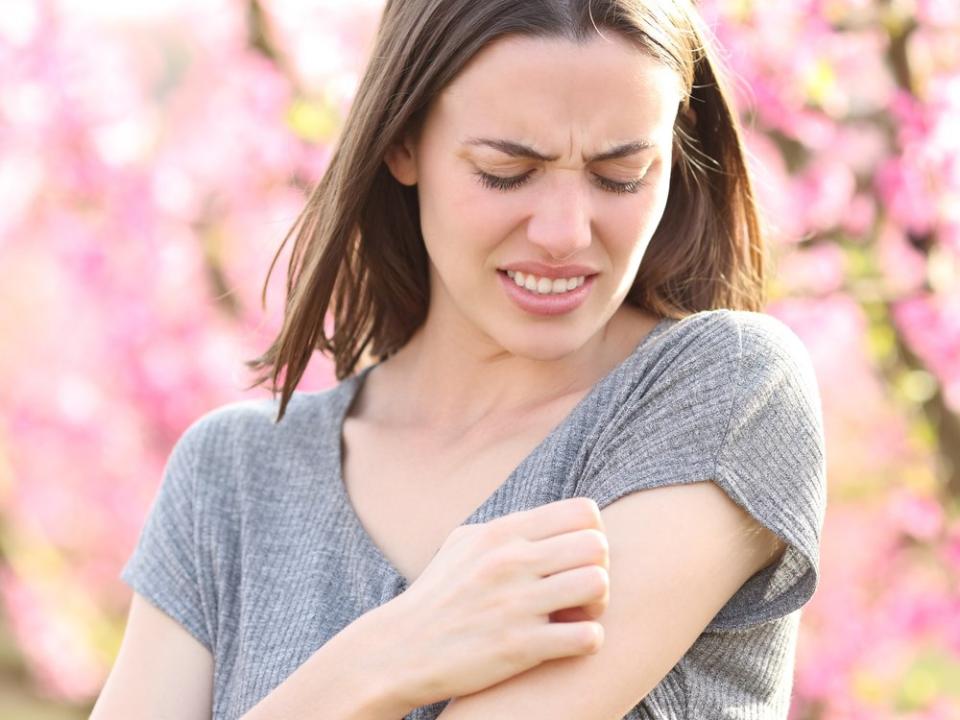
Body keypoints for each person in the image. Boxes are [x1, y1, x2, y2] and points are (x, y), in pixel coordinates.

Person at [92, 0, 827, 718]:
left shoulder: (726, 391)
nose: (566, 232)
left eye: (621, 175)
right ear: (402, 142)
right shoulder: (231, 479)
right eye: (507, 171)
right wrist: (383, 657)